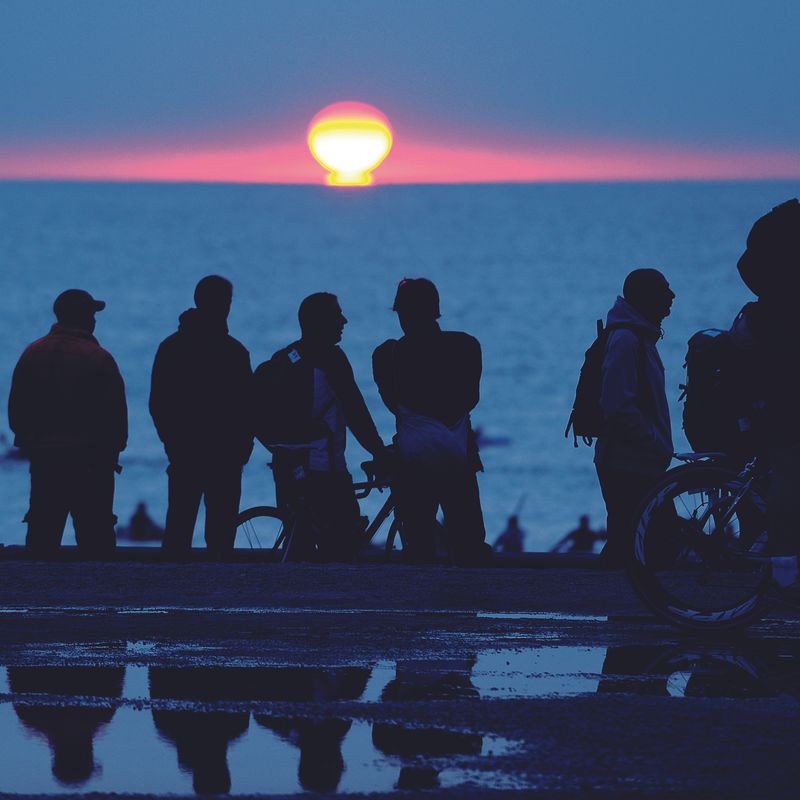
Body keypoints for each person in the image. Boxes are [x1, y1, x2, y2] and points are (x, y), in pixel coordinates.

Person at [252, 292, 388, 560]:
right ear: (320, 322)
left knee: (300, 543)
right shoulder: (331, 359)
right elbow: (355, 412)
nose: (344, 321)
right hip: (323, 469)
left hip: (286, 463)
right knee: (342, 546)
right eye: (337, 315)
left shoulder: (285, 357)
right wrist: (380, 452)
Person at [372, 278, 487, 564]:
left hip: (413, 459)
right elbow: (470, 398)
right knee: (468, 542)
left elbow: (393, 405)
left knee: (418, 544)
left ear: (402, 314)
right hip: (458, 455)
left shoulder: (388, 355)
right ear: (435, 310)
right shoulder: (466, 347)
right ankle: (466, 603)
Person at [8, 289, 127, 556]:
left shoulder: (32, 354)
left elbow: (16, 412)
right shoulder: (99, 359)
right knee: (96, 541)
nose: (95, 320)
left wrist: (33, 443)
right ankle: (98, 596)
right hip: (91, 463)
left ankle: (37, 596)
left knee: (41, 537)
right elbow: (116, 418)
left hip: (45, 460)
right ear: (85, 318)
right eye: (93, 314)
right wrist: (112, 451)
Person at [149, 275, 253, 556]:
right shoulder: (234, 352)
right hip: (224, 455)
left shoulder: (171, 348)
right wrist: (243, 447)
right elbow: (247, 407)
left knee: (178, 530)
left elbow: (159, 404)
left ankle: (173, 587)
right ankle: (219, 590)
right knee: (220, 536)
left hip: (186, 451)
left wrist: (171, 442)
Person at [736, 199, 800, 594]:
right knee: (790, 477)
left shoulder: (777, 227)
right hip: (780, 394)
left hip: (773, 378)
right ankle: (783, 572)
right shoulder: (785, 231)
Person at [594, 269, 675, 567]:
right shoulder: (627, 340)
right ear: (644, 297)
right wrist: (654, 441)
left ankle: (625, 606)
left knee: (631, 544)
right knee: (643, 545)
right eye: (663, 290)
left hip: (638, 460)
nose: (672, 296)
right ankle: (626, 605)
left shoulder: (640, 338)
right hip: (627, 463)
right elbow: (617, 404)